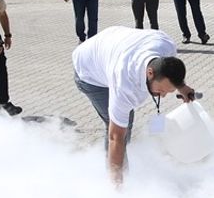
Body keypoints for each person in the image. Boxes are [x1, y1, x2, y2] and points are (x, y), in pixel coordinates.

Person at [72, 26, 198, 186]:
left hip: (113, 46)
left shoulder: (167, 47)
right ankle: (114, 180)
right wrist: (118, 191)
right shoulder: (124, 83)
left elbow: (172, 72)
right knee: (118, 129)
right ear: (150, 73)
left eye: (168, 91)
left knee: (124, 125)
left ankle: (120, 166)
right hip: (88, 70)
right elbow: (115, 137)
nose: (164, 95)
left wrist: (181, 87)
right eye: (160, 90)